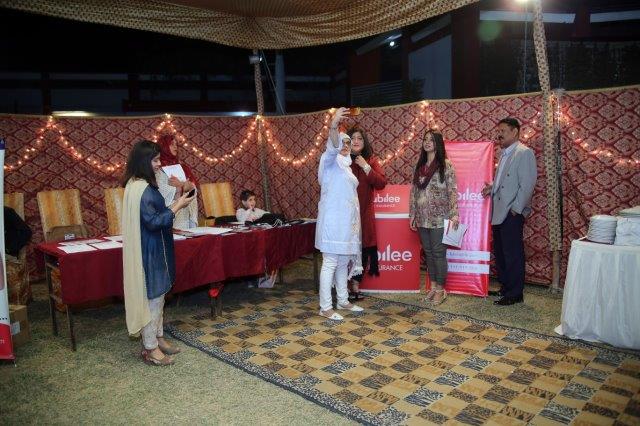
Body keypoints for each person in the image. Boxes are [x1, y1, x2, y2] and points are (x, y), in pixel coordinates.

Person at [122, 140, 194, 366]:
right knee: (153, 297)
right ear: (144, 161)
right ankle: (151, 348)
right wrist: (178, 206)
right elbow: (154, 222)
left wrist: (175, 202)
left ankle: (158, 337)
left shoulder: (138, 184)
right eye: (154, 160)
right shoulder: (142, 189)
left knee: (159, 295)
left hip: (154, 246)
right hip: (151, 250)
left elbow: (156, 213)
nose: (159, 164)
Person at [482, 117, 537, 306]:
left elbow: (527, 184)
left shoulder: (524, 153)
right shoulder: (504, 153)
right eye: (498, 131)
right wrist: (491, 188)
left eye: (503, 131)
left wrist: (516, 209)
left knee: (512, 254)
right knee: (501, 252)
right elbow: (505, 181)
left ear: (515, 132)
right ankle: (506, 288)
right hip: (498, 211)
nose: (499, 134)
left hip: (511, 212)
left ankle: (515, 293)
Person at [315, 107, 364, 320]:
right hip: (333, 224)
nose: (345, 146)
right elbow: (332, 146)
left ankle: (343, 300)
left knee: (343, 262)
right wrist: (334, 125)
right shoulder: (329, 161)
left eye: (348, 143)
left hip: (347, 225)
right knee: (330, 263)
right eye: (342, 142)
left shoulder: (347, 167)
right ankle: (325, 307)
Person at [409, 130, 459, 305]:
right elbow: (414, 191)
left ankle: (440, 289)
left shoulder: (445, 165)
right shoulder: (419, 165)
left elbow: (452, 191)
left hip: (439, 217)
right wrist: (412, 214)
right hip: (422, 217)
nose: (427, 142)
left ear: (438, 143)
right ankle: (433, 287)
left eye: (431, 140)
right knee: (429, 253)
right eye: (425, 139)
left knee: (438, 253)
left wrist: (454, 214)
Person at [346, 126, 387, 301]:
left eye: (360, 138)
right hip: (345, 214)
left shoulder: (371, 160)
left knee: (362, 249)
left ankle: (355, 284)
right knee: (344, 249)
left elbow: (381, 183)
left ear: (364, 142)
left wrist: (365, 166)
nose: (356, 141)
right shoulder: (342, 160)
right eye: (353, 138)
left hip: (363, 214)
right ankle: (342, 285)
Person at [156, 134, 198, 229]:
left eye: (176, 144)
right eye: (172, 144)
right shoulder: (157, 169)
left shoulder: (183, 167)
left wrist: (182, 185)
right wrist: (183, 187)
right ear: (164, 147)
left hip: (186, 211)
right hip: (170, 213)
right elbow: (161, 191)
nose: (175, 147)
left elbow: (193, 188)